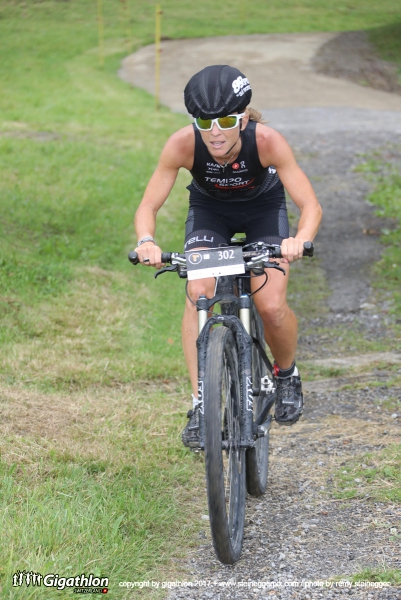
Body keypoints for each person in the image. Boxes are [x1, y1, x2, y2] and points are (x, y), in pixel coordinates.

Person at [134, 64, 322, 446]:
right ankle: (201, 404)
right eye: (205, 122)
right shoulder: (182, 144)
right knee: (198, 293)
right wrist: (146, 241)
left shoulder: (266, 141)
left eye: (225, 121)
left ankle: (286, 373)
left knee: (270, 305)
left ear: (243, 118)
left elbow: (310, 205)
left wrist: (299, 240)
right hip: (211, 214)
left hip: (263, 212)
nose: (215, 132)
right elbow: (147, 206)